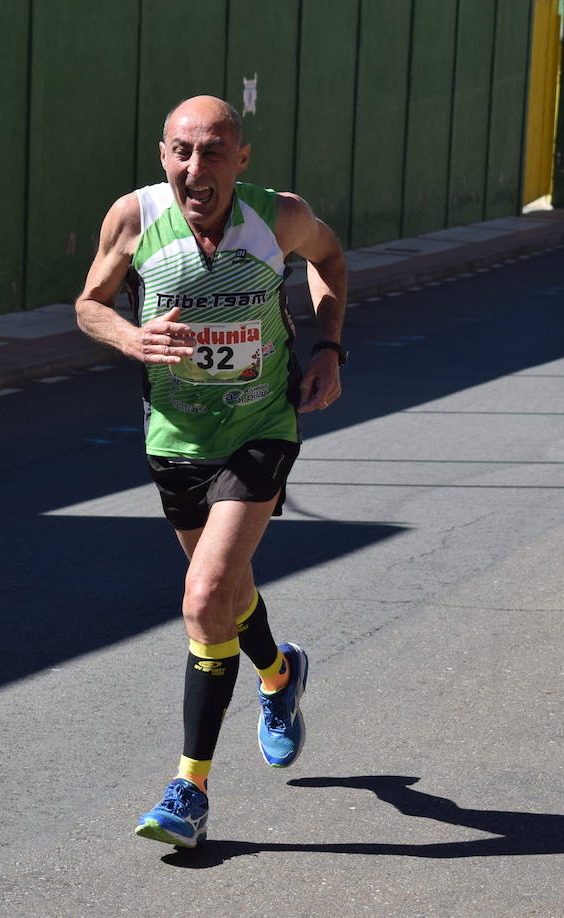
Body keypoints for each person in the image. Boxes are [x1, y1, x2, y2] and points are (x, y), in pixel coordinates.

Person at [74, 95, 347, 849]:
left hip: (261, 423)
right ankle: (279, 674)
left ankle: (188, 790)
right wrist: (131, 340)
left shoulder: (278, 217)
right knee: (224, 592)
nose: (199, 169)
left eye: (216, 151)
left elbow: (328, 257)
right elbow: (89, 305)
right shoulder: (133, 219)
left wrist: (328, 347)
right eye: (183, 152)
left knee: (202, 598)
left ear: (242, 157)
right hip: (176, 434)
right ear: (163, 156)